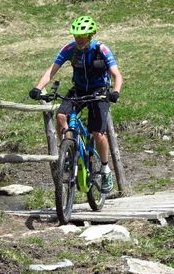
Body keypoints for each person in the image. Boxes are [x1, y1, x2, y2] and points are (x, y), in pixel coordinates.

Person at [29, 15, 123, 193]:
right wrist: (38, 87)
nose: (79, 40)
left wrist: (115, 92)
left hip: (99, 91)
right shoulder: (70, 49)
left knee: (98, 133)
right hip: (79, 89)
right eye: (76, 36)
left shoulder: (101, 49)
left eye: (83, 36)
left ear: (91, 35)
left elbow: (116, 75)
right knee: (61, 116)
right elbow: (52, 69)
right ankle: (69, 150)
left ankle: (104, 169)